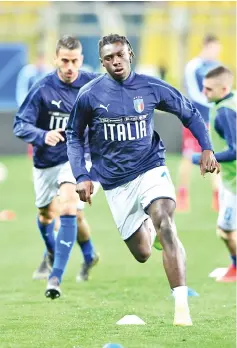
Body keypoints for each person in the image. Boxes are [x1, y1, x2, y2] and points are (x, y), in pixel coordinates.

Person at [66, 34, 220, 326]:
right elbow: (74, 135)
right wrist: (81, 175)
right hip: (114, 183)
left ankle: (181, 307)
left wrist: (207, 147)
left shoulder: (150, 87)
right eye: (109, 58)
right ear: (102, 62)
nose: (116, 62)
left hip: (151, 167)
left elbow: (189, 112)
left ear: (130, 54)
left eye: (120, 55)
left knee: (165, 220)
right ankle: (151, 232)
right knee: (142, 253)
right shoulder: (89, 94)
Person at [13, 35, 100, 294]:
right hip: (45, 161)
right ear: (55, 60)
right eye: (65, 61)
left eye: (74, 61)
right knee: (46, 214)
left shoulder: (93, 85)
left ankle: (55, 278)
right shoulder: (42, 89)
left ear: (81, 60)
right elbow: (20, 124)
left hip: (77, 157)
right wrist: (42, 135)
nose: (70, 66)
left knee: (69, 206)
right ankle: (86, 254)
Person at [192, 66, 236, 282]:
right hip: (229, 180)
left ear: (224, 88)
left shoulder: (225, 112)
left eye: (208, 89)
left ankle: (236, 268)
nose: (204, 93)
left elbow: (235, 150)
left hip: (235, 183)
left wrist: (208, 158)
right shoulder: (229, 101)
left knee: (225, 231)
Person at [176, 34, 221, 212]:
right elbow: (193, 93)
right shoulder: (194, 66)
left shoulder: (218, 67)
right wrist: (214, 101)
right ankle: (182, 195)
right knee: (188, 157)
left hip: (213, 120)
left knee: (214, 157)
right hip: (194, 120)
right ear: (206, 46)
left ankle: (218, 197)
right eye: (215, 48)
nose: (217, 52)